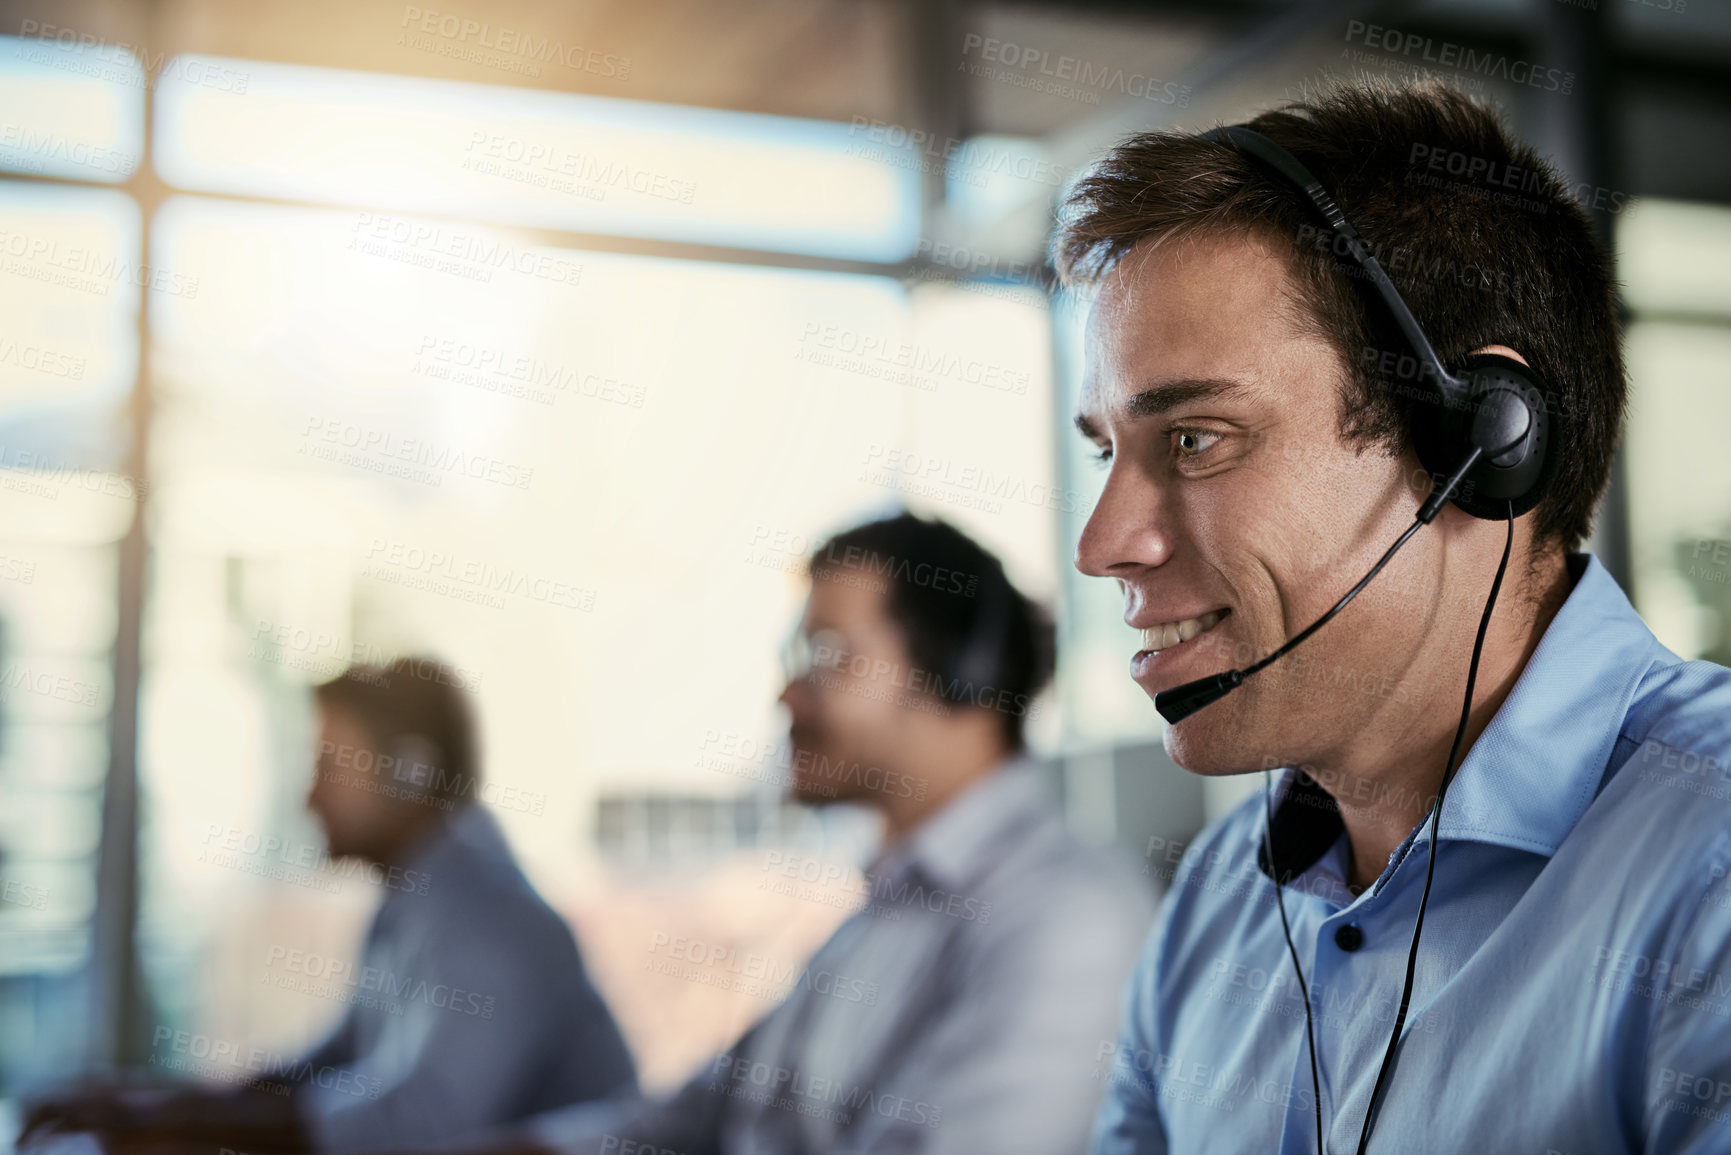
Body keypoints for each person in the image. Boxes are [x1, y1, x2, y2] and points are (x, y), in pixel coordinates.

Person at [1063, 78, 1731, 1153]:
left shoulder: (1711, 870)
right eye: (1107, 453)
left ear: (1484, 442)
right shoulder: (1218, 903)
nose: (1103, 545)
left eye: (1195, 439)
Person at [489, 511, 1156, 1155]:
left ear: (958, 674)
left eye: (826, 655)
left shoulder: (1067, 916)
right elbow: (686, 1120)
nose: (787, 696)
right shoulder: (882, 906)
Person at [22, 658, 637, 1154]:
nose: (309, 798)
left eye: (327, 765)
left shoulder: (493, 920)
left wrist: (183, 1123)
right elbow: (329, 1066)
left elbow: (419, 1125)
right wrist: (159, 1105)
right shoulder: (415, 904)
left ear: (408, 774)